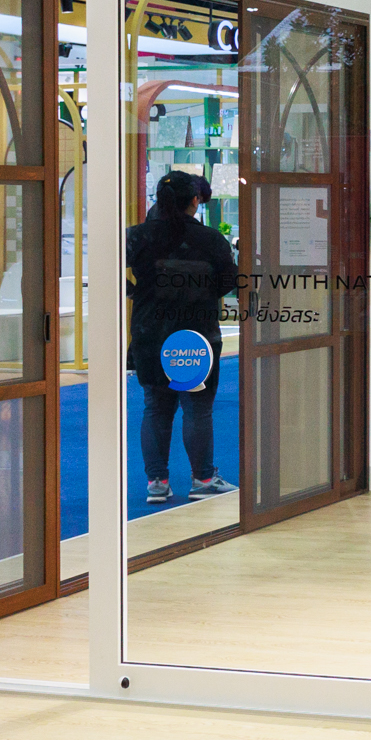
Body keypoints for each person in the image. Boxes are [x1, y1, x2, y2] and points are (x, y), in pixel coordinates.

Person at [127, 169, 240, 504]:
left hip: (150, 332)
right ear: (195, 200)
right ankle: (202, 478)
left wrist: (136, 292)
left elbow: (107, 269)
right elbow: (228, 281)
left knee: (155, 407)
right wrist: (201, 295)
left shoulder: (137, 236)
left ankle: (157, 482)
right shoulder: (210, 239)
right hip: (197, 333)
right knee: (198, 408)